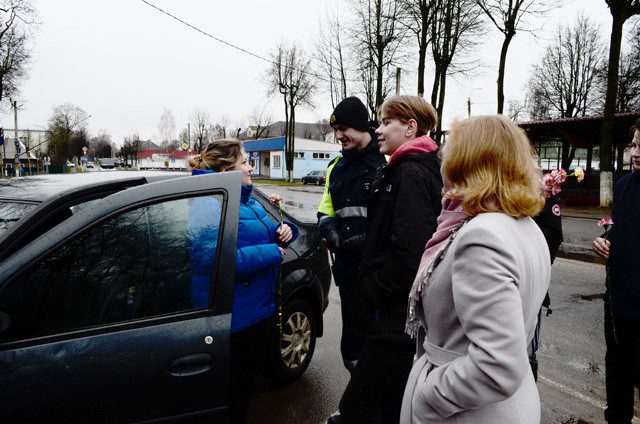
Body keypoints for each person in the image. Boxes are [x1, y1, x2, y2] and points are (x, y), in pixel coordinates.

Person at [401, 115, 550, 423]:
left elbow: (497, 366)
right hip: (507, 402)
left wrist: (429, 396)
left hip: (468, 411)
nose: (441, 159)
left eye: (447, 152)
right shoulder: (524, 224)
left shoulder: (481, 236)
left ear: (465, 161)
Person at [331, 95, 443, 424]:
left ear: (410, 127)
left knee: (356, 409)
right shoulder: (405, 167)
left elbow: (410, 252)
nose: (378, 130)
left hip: (391, 318)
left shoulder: (410, 172)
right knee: (390, 405)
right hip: (392, 316)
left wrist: (373, 291)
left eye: (386, 122)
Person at [187, 139, 298, 424]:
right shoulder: (209, 202)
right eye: (246, 162)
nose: (251, 167)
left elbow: (265, 231)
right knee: (233, 394)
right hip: (235, 320)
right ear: (227, 170)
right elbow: (211, 258)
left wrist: (285, 231)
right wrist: (272, 252)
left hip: (255, 312)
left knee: (243, 388)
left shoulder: (243, 198)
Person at [318, 96, 386, 373]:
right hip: (348, 273)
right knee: (351, 349)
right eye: (336, 130)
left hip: (380, 276)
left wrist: (369, 242)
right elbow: (325, 209)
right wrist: (330, 230)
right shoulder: (336, 167)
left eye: (343, 129)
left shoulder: (388, 161)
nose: (339, 136)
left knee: (379, 350)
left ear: (360, 126)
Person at [593, 118, 640, 424]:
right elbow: (619, 235)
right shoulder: (622, 188)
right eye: (634, 145)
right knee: (618, 377)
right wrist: (603, 242)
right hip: (618, 308)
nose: (634, 152)